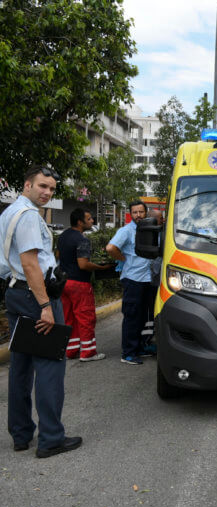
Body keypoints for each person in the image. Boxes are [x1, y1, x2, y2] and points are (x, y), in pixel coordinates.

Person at [0, 165, 82, 457]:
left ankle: (21, 435)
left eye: (51, 189)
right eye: (42, 187)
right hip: (36, 297)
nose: (46, 192)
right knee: (49, 367)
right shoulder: (28, 218)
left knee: (21, 365)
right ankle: (50, 439)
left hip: (16, 292)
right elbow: (30, 264)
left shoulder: (9, 213)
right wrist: (46, 306)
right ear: (26, 185)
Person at [57, 208, 113, 361]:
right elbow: (83, 264)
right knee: (85, 317)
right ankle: (88, 352)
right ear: (80, 222)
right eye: (89, 219)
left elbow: (58, 257)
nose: (92, 221)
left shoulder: (63, 236)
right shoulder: (82, 240)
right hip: (79, 284)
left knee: (69, 318)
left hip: (63, 283)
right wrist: (101, 267)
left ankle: (71, 350)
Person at [106, 200, 153, 365]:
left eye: (141, 212)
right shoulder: (126, 231)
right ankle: (128, 353)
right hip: (132, 279)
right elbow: (110, 248)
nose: (138, 215)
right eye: (135, 212)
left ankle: (139, 347)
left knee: (142, 316)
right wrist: (124, 259)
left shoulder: (148, 229)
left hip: (146, 279)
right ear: (130, 214)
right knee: (132, 316)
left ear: (146, 212)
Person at [141, 208, 165, 355]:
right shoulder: (151, 235)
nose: (163, 220)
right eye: (161, 218)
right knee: (149, 313)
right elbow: (154, 261)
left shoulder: (161, 233)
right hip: (152, 282)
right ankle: (147, 342)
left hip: (158, 281)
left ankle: (151, 339)